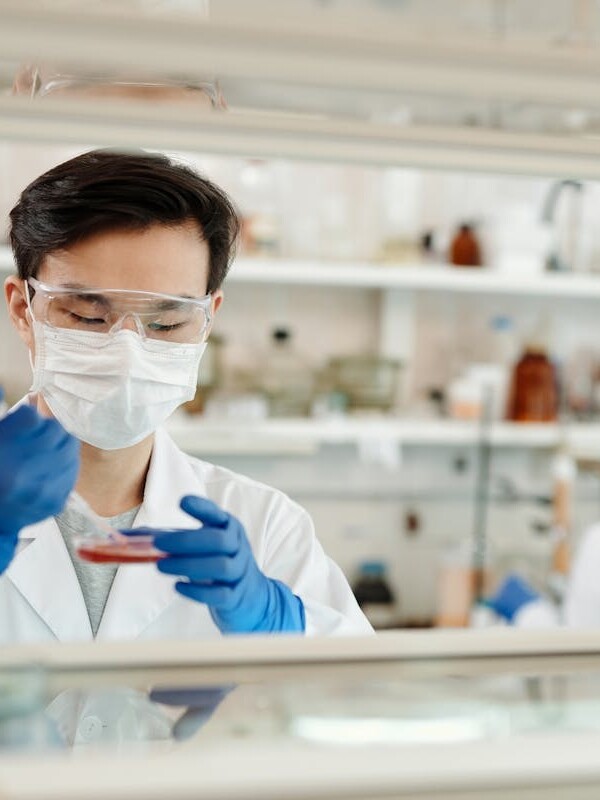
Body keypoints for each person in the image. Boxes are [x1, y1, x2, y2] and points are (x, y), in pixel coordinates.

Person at [0, 149, 372, 643]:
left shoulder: (264, 525)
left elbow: (362, 697)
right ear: (23, 310)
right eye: (88, 317)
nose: (127, 353)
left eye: (166, 322)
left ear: (207, 318)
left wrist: (280, 622)